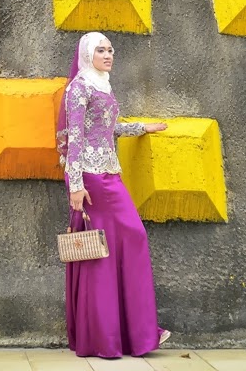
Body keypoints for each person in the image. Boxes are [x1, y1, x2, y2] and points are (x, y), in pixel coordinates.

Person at [56, 31, 170, 358]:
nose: (108, 55)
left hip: (108, 172)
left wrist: (141, 128)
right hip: (93, 179)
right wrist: (75, 185)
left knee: (110, 250)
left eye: (110, 50)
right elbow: (75, 138)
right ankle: (117, 335)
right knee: (123, 241)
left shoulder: (102, 84)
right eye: (101, 50)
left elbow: (108, 128)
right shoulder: (79, 87)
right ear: (87, 54)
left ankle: (119, 335)